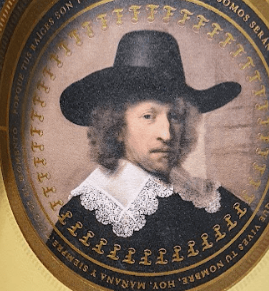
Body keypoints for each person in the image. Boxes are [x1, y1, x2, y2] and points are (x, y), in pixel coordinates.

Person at [47, 30, 252, 273]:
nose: (167, 134)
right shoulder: (85, 216)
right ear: (117, 126)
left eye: (175, 116)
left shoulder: (209, 200)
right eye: (148, 116)